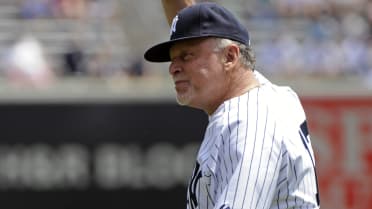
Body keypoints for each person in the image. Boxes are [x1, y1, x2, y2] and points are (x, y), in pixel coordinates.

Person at [144, 2, 320, 209]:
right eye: (173, 59)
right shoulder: (269, 96)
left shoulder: (249, 125)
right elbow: (196, 28)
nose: (173, 68)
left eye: (186, 56)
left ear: (230, 57)